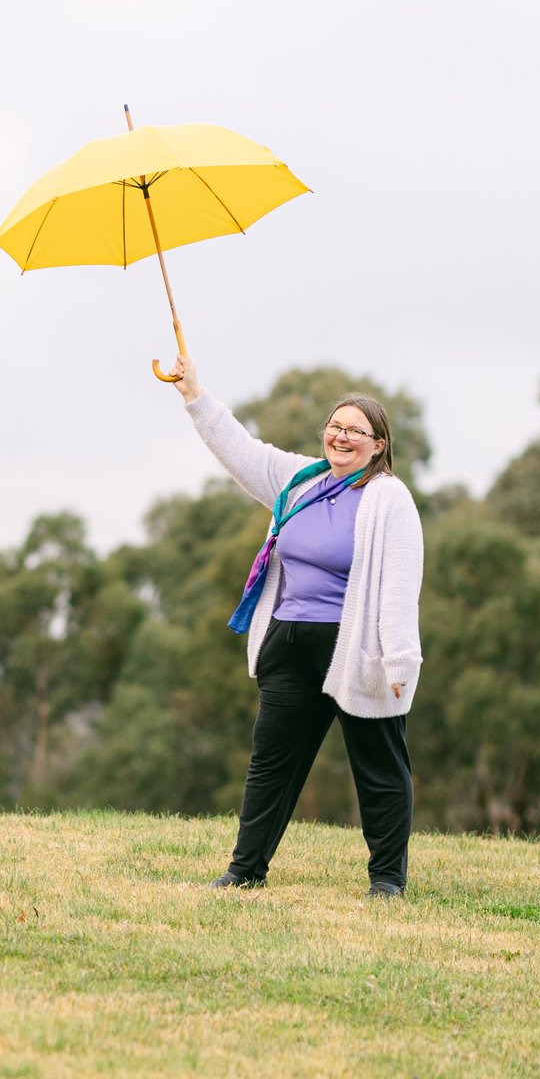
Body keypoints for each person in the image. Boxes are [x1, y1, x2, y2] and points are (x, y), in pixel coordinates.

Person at [168, 356, 425, 897]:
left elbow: (402, 582)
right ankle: (245, 870)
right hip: (289, 639)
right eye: (336, 426)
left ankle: (387, 881)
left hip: (353, 648)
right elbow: (243, 453)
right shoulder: (301, 479)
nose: (342, 436)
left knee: (378, 766)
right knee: (271, 763)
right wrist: (195, 394)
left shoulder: (387, 498)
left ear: (379, 444)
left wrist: (399, 659)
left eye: (357, 431)